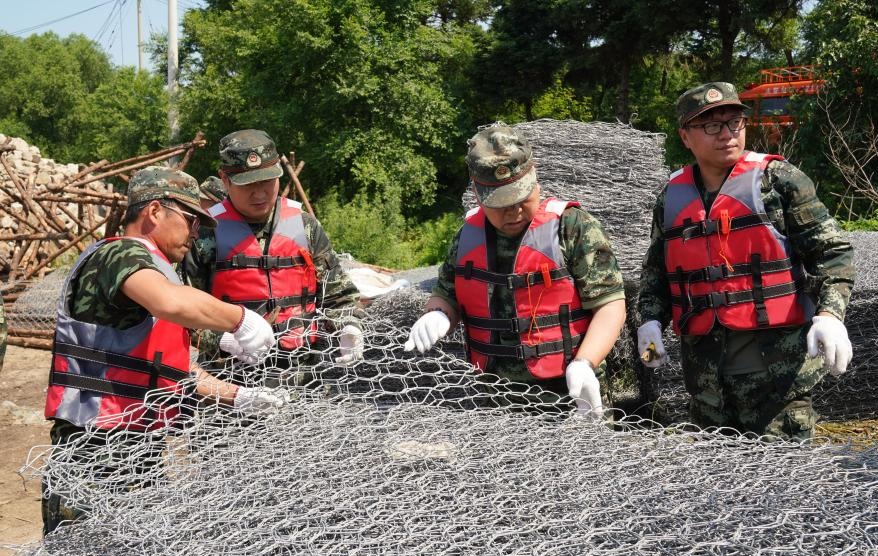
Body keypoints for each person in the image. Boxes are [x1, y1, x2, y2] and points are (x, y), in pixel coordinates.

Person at [43, 166, 284, 533]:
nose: (196, 233)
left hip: (141, 453)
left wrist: (238, 396)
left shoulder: (155, 270)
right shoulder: (120, 255)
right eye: (191, 220)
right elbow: (169, 302)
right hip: (93, 454)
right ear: (155, 212)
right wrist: (239, 319)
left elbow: (171, 369)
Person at [636, 82, 855, 440]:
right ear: (685, 136)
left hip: (778, 382)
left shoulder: (779, 181)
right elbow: (656, 273)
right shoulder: (671, 197)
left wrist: (830, 315)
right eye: (710, 126)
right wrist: (649, 323)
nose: (726, 134)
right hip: (706, 386)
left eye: (734, 122)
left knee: (783, 485)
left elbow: (831, 253)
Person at [404, 122, 627, 416]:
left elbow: (611, 305)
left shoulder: (572, 226)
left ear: (535, 180)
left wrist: (585, 362)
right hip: (497, 396)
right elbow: (447, 293)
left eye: (522, 196)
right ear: (478, 194)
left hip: (572, 391)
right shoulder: (468, 236)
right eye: (502, 203)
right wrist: (438, 313)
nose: (515, 210)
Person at [182, 130, 364, 370]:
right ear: (224, 179)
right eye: (247, 184)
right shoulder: (204, 232)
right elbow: (181, 308)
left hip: (305, 377)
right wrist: (219, 339)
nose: (259, 193)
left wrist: (350, 325)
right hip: (231, 381)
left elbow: (339, 296)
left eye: (267, 181)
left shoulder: (304, 225)